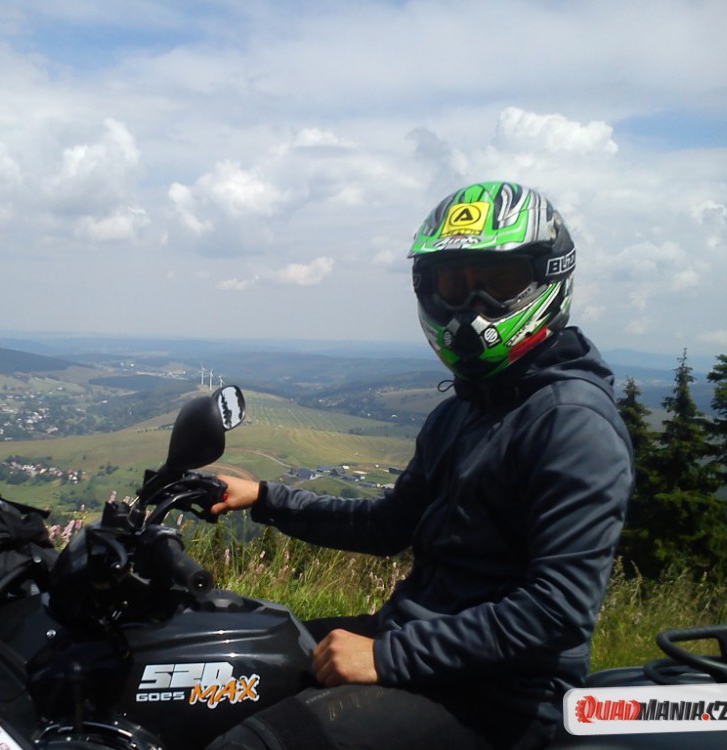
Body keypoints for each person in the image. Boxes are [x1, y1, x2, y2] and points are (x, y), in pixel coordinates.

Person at [204, 181, 634, 750]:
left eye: (497, 282)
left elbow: (556, 611)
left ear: (547, 278)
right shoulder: (463, 412)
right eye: (452, 284)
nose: (469, 306)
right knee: (222, 669)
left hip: (502, 699)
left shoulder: (571, 423)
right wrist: (265, 497)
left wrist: (388, 656)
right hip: (423, 649)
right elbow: (387, 526)